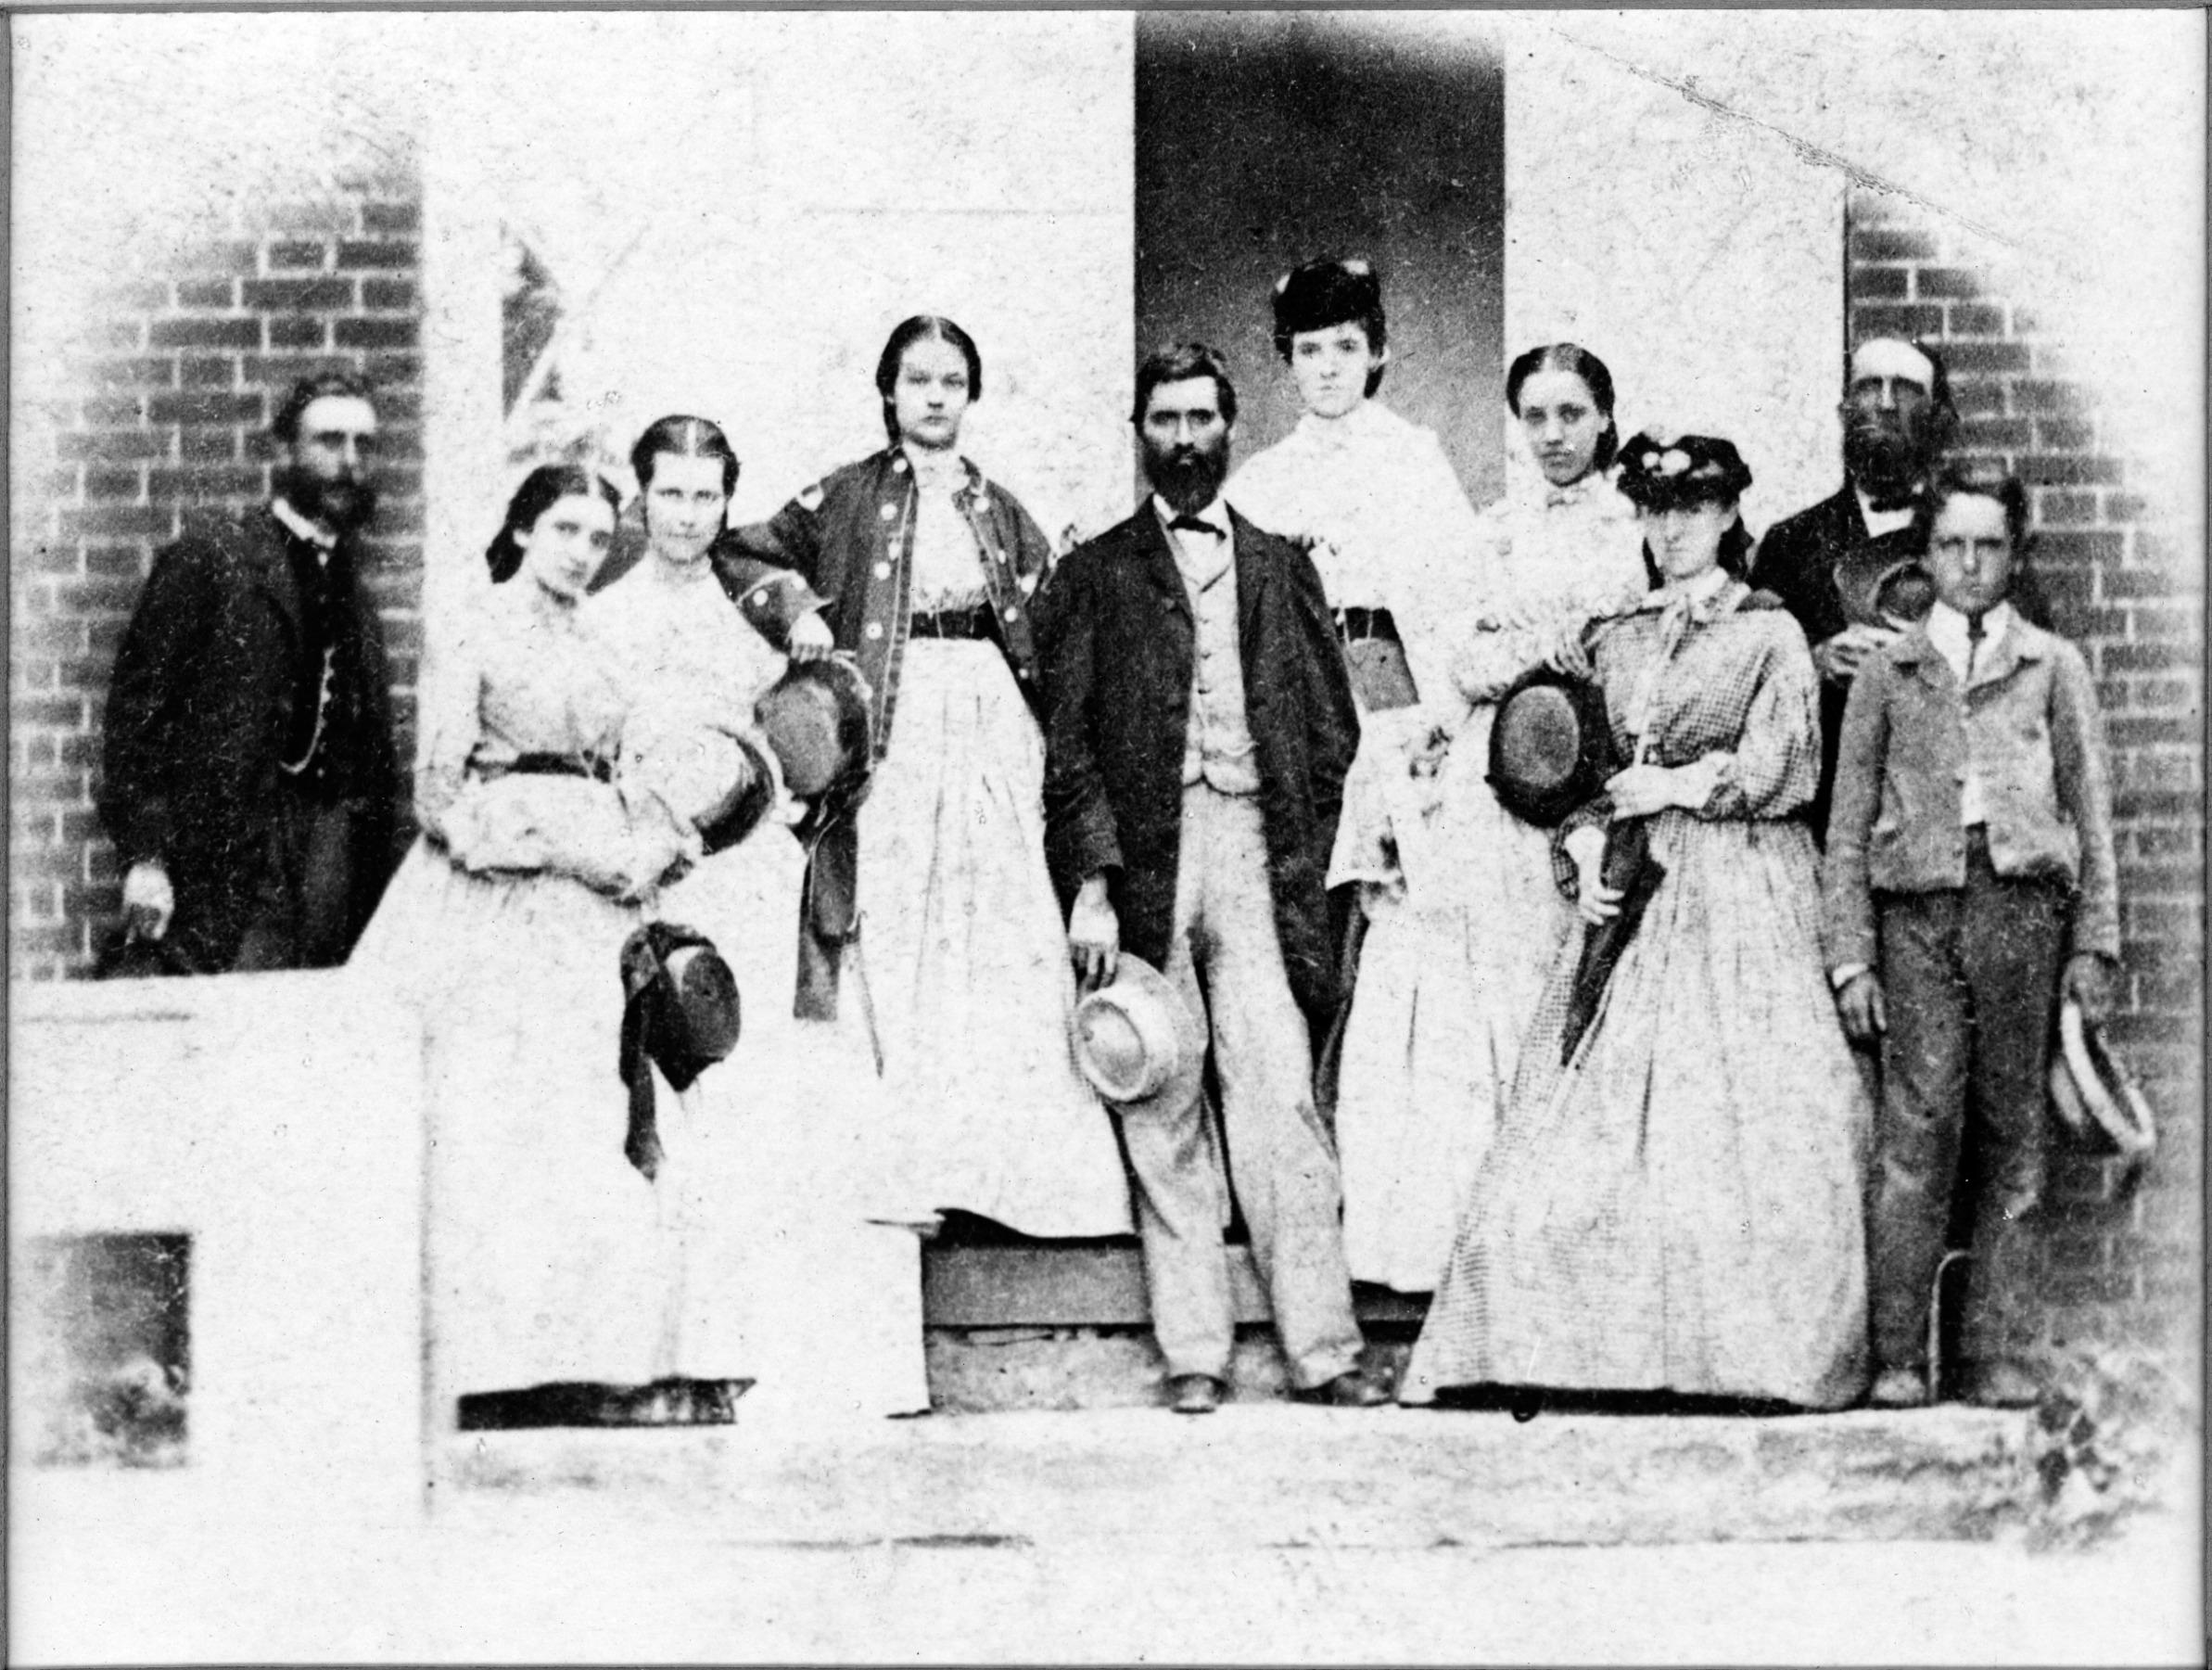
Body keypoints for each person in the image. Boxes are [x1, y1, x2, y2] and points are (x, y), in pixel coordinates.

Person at [1402, 430, 1872, 1412]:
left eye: (1693, 509)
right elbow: (1578, 756)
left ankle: (1747, 1357)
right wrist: (1578, 838)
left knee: (1740, 1116)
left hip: (1740, 879)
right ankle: (1588, 1349)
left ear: (1730, 515)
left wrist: (1685, 781)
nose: (1674, 529)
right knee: (1583, 1123)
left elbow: (1787, 761)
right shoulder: (1615, 632)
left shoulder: (1768, 631)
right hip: (1632, 875)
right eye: (1657, 510)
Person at [715, 317, 1133, 1241]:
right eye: (917, 380)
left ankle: (1022, 1185)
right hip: (895, 730)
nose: (935, 396)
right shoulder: (846, 494)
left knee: (1001, 936)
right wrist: (797, 614)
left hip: (991, 724)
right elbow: (741, 548)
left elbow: (1056, 629)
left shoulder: (1001, 506)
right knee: (900, 934)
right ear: (890, 392)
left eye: (952, 380)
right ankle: (920, 1172)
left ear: (971, 394)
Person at [1039, 342, 1383, 1415]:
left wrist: (1328, 869)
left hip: (1254, 849)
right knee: (1162, 1091)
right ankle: (1193, 1348)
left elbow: (1330, 730)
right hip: (1147, 860)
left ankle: (1323, 1347)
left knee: (1278, 1090)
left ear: (1229, 427)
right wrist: (1093, 882)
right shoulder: (1095, 570)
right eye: (1164, 420)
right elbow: (1071, 749)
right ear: (1138, 432)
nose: (1183, 438)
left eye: (1200, 418)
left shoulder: (1282, 565)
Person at [588, 415, 931, 1425]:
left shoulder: (757, 625)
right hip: (642, 880)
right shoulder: (603, 620)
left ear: (725, 505)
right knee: (652, 1104)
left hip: (736, 881)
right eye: (670, 494)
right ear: (640, 497)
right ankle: (662, 1359)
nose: (687, 516)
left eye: (706, 497)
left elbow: (797, 746)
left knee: (748, 1102)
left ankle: (761, 1357)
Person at [350, 464, 707, 1423]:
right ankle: (487, 1369)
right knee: (498, 1119)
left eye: (598, 537)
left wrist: (644, 849)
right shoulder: (474, 625)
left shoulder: (608, 642)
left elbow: (639, 768)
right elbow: (436, 793)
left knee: (602, 1113)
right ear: (521, 529)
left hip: (595, 906)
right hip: (496, 902)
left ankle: (590, 1359)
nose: (582, 553)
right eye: (563, 530)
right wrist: (532, 845)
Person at [1328, 343, 1648, 1294]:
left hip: (1583, 780)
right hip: (1487, 777)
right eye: (1535, 416)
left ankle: (1551, 1266)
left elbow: (1620, 652)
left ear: (1602, 418)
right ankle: (1451, 1251)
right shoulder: (1493, 529)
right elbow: (1457, 660)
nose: (1552, 435)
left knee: (1558, 987)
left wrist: (1528, 645)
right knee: (1453, 989)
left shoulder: (1636, 531)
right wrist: (1540, 647)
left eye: (1570, 414)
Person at [1825, 467, 2120, 1410]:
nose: (1968, 563)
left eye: (1988, 545)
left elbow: (2091, 815)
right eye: (1951, 544)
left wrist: (2092, 946)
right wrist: (1850, 955)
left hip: (2019, 914)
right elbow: (1846, 822)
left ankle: (1992, 1353)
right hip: (1915, 914)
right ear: (1927, 555)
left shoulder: (2050, 665)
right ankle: (1900, 1356)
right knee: (1916, 1128)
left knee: (2012, 1134)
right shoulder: (1888, 668)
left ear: (2014, 554)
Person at [99, 373, 400, 973]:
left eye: (363, 445)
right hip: (232, 855)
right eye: (329, 441)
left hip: (327, 859)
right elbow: (138, 717)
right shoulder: (214, 557)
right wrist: (146, 856)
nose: (348, 461)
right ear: (284, 450)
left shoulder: (354, 591)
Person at [1753, 337, 2048, 840]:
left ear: (1936, 417)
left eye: (1907, 390)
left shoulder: (1978, 533)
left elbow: (2033, 665)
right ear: (1846, 410)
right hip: (1827, 822)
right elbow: (1748, 674)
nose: (1886, 404)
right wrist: (1815, 660)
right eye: (1870, 387)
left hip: (1953, 822)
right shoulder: (1792, 542)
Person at [1224, 256, 1482, 710]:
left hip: (1394, 686)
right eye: (1310, 350)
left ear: (1376, 352)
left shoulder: (1413, 457)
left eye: (1346, 347)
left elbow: (1459, 596)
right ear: (1289, 360)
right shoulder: (1260, 480)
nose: (1328, 368)